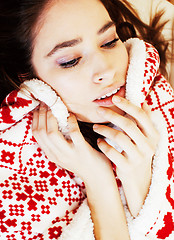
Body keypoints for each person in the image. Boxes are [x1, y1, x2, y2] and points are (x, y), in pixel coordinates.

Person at [0, 0, 173, 239]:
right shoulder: (11, 170)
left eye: (109, 42)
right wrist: (100, 183)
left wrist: (141, 180)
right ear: (27, 75)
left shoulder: (155, 97)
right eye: (70, 61)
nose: (106, 71)